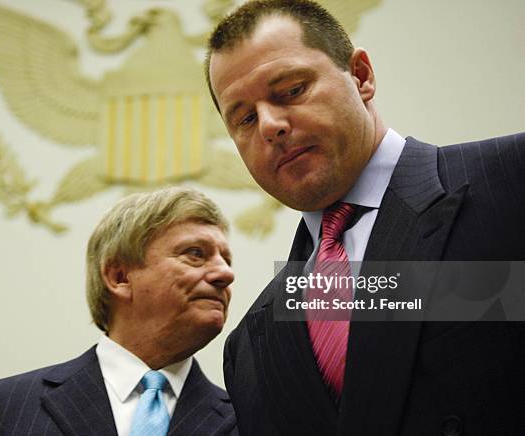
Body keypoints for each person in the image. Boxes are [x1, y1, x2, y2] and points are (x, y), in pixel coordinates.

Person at [205, 0, 525, 435]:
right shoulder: (247, 348)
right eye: (244, 117)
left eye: (292, 90)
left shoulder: (509, 183)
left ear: (361, 76)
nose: (269, 125)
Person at [0, 187, 238, 435]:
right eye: (196, 254)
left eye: (226, 259)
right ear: (119, 277)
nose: (225, 274)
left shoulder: (252, 421)